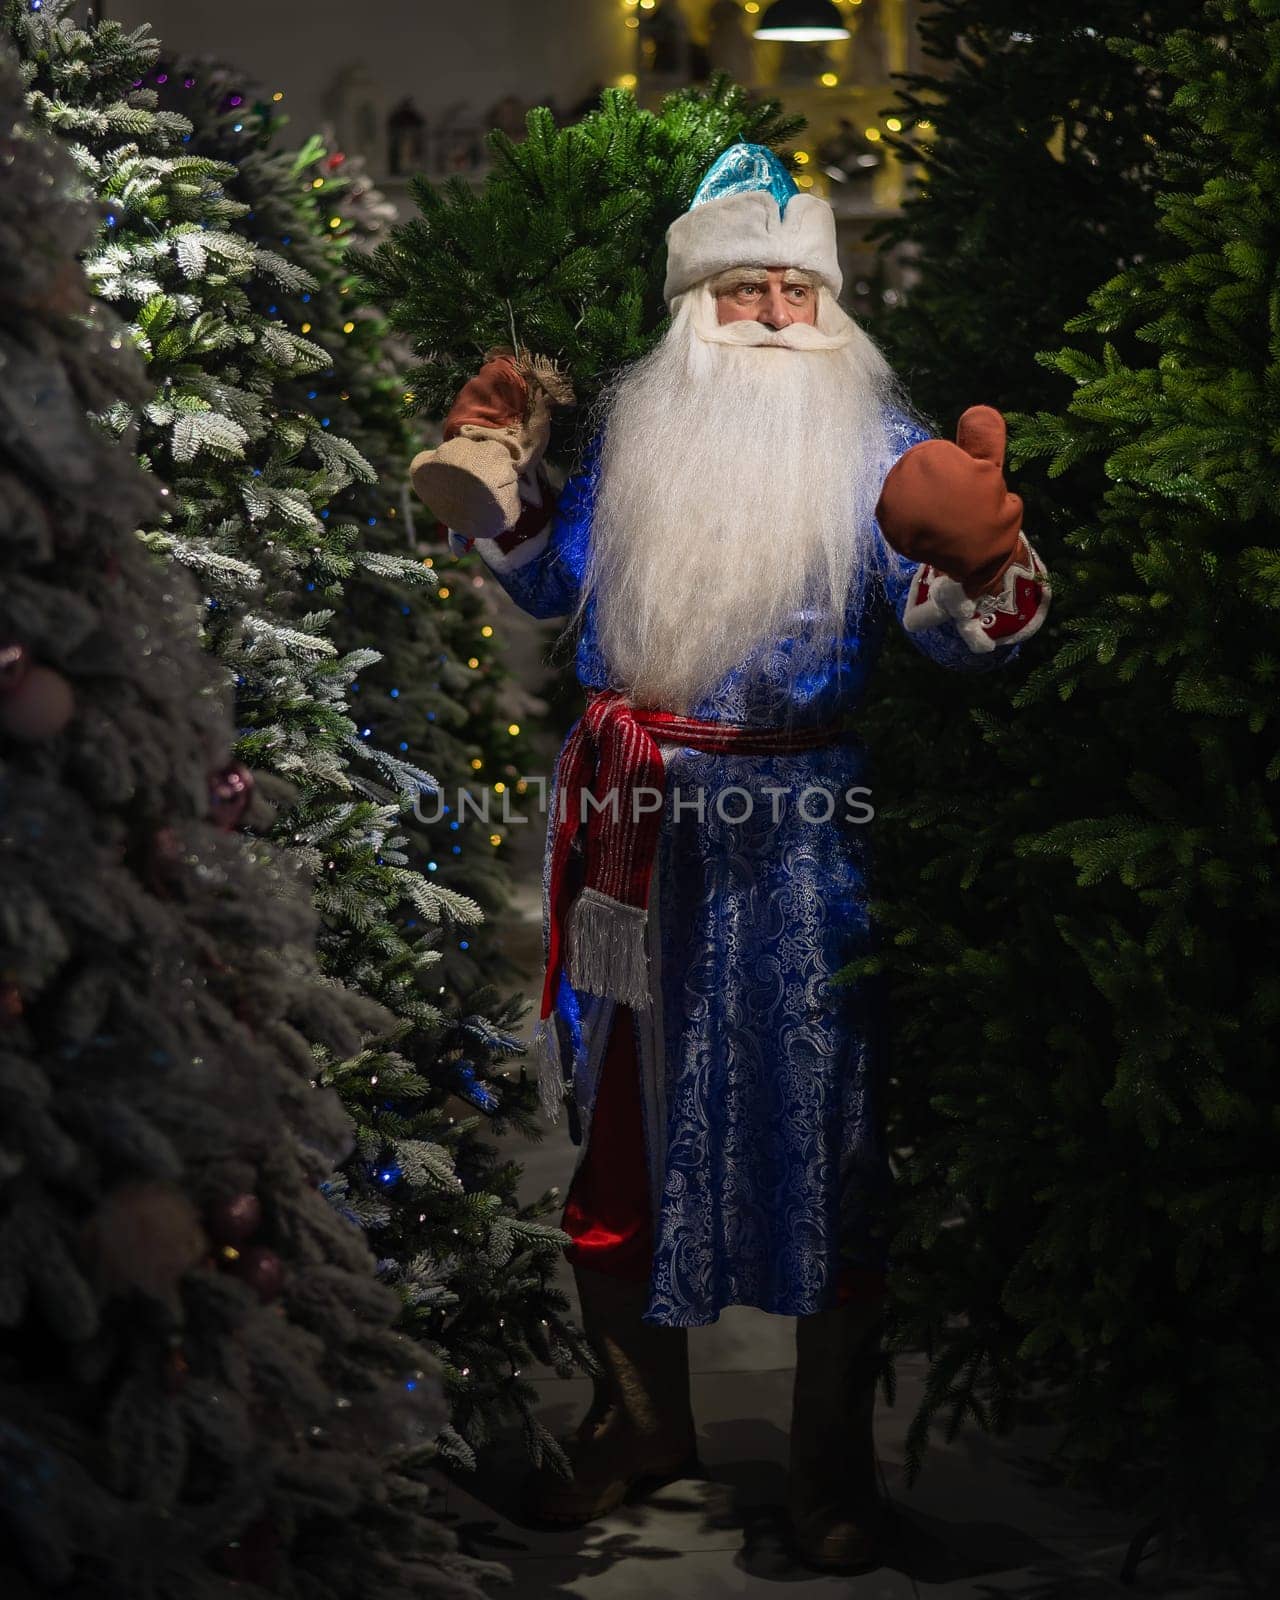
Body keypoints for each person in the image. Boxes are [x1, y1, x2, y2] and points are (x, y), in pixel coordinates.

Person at [409, 143, 1050, 1572]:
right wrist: (503, 494)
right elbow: (558, 589)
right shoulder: (642, 441)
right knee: (618, 1124)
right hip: (633, 831)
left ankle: (830, 1465)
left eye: (790, 286)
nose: (768, 310)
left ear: (830, 302)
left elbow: (953, 630)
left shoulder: (882, 447)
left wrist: (988, 570)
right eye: (740, 288)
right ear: (694, 306)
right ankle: (640, 1420)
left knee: (830, 1137)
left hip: (806, 840)